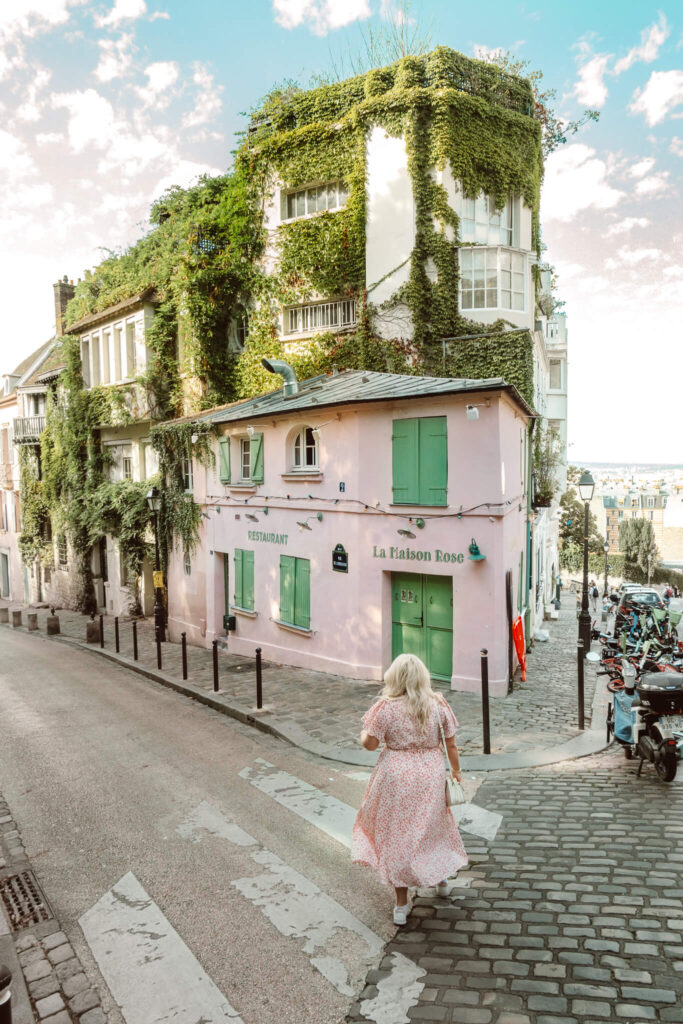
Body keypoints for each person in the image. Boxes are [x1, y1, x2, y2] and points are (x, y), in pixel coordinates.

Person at [351, 653, 468, 926]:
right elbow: (451, 745)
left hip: (396, 776)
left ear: (395, 677)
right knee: (434, 827)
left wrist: (363, 733)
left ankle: (402, 905)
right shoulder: (438, 704)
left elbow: (369, 744)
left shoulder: (386, 708)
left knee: (398, 836)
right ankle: (441, 882)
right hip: (430, 773)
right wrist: (457, 774)